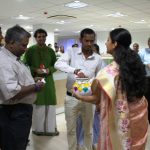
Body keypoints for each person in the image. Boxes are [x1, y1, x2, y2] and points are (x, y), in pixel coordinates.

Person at [73, 28, 148, 150]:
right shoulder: (135, 62)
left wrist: (79, 96)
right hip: (138, 115)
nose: (105, 43)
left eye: (108, 40)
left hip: (119, 120)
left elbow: (97, 99)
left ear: (115, 44)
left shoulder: (108, 73)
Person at [55, 28, 105, 150]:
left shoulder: (98, 58)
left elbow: (100, 79)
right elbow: (58, 64)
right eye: (86, 40)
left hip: (88, 99)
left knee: (88, 130)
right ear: (80, 40)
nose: (89, 44)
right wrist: (75, 70)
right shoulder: (71, 52)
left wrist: (98, 99)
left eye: (91, 41)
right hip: (71, 97)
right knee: (71, 129)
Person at [0, 25, 45, 150]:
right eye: (23, 45)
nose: (25, 49)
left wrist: (32, 80)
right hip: (13, 112)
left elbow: (17, 80)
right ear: (11, 43)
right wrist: (35, 87)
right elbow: (12, 91)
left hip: (20, 111)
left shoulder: (14, 58)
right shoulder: (3, 61)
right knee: (15, 146)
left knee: (20, 144)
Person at [24, 28, 59, 136]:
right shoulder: (30, 50)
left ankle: (50, 129)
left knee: (50, 103)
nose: (41, 38)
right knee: (38, 105)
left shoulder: (50, 51)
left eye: (43, 36)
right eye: (39, 36)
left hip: (48, 80)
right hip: (36, 80)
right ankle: (38, 129)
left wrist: (50, 70)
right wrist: (34, 70)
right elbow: (24, 66)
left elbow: (56, 65)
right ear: (35, 38)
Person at [76, 43, 101, 150]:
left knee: (95, 122)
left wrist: (99, 101)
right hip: (83, 97)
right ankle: (80, 143)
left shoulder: (100, 68)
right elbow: (78, 88)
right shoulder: (82, 66)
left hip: (94, 99)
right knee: (81, 121)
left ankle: (95, 142)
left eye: (93, 51)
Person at [138, 37, 150, 123]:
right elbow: (138, 62)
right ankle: (145, 116)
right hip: (146, 78)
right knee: (146, 98)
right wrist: (146, 64)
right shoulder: (143, 51)